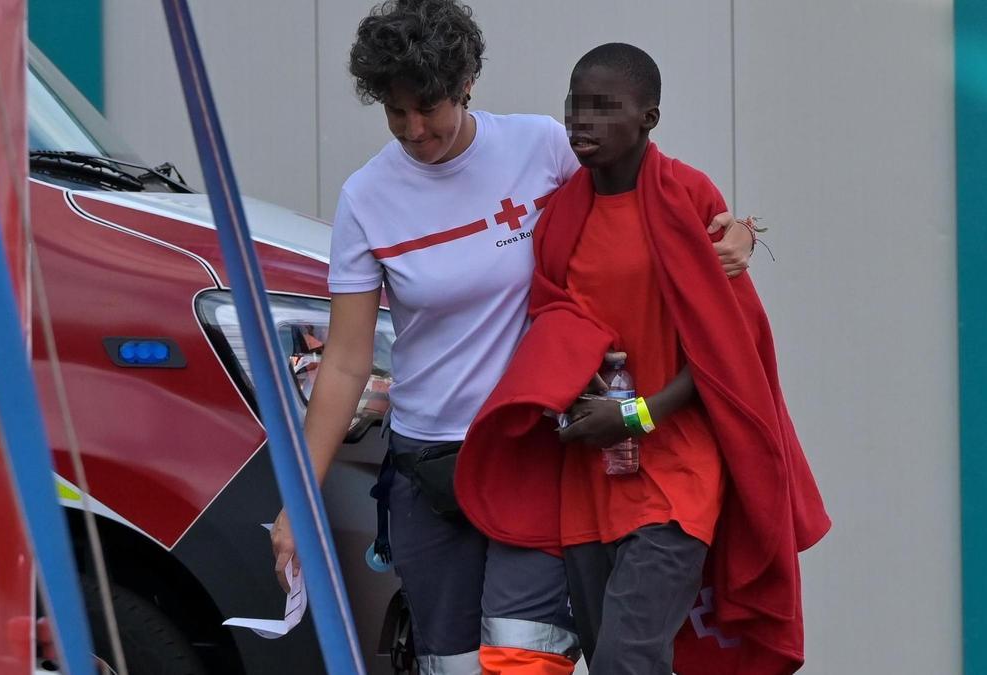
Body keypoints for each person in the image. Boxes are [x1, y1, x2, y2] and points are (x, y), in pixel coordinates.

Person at [268, 3, 756, 672]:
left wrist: (729, 230)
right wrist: (296, 498)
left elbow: (654, 192)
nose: (415, 130)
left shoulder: (540, 149)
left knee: (523, 662)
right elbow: (348, 363)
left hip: (528, 448)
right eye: (395, 112)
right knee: (456, 666)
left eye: (429, 107)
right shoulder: (367, 197)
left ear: (467, 82)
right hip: (428, 470)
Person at [454, 43, 830, 675]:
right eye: (577, 105)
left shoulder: (688, 195)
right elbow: (555, 329)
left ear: (648, 118)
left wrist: (637, 416)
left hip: (678, 469)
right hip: (592, 476)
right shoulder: (559, 217)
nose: (583, 122)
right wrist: (570, 392)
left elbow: (728, 350)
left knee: (628, 659)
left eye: (606, 108)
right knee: (614, 657)